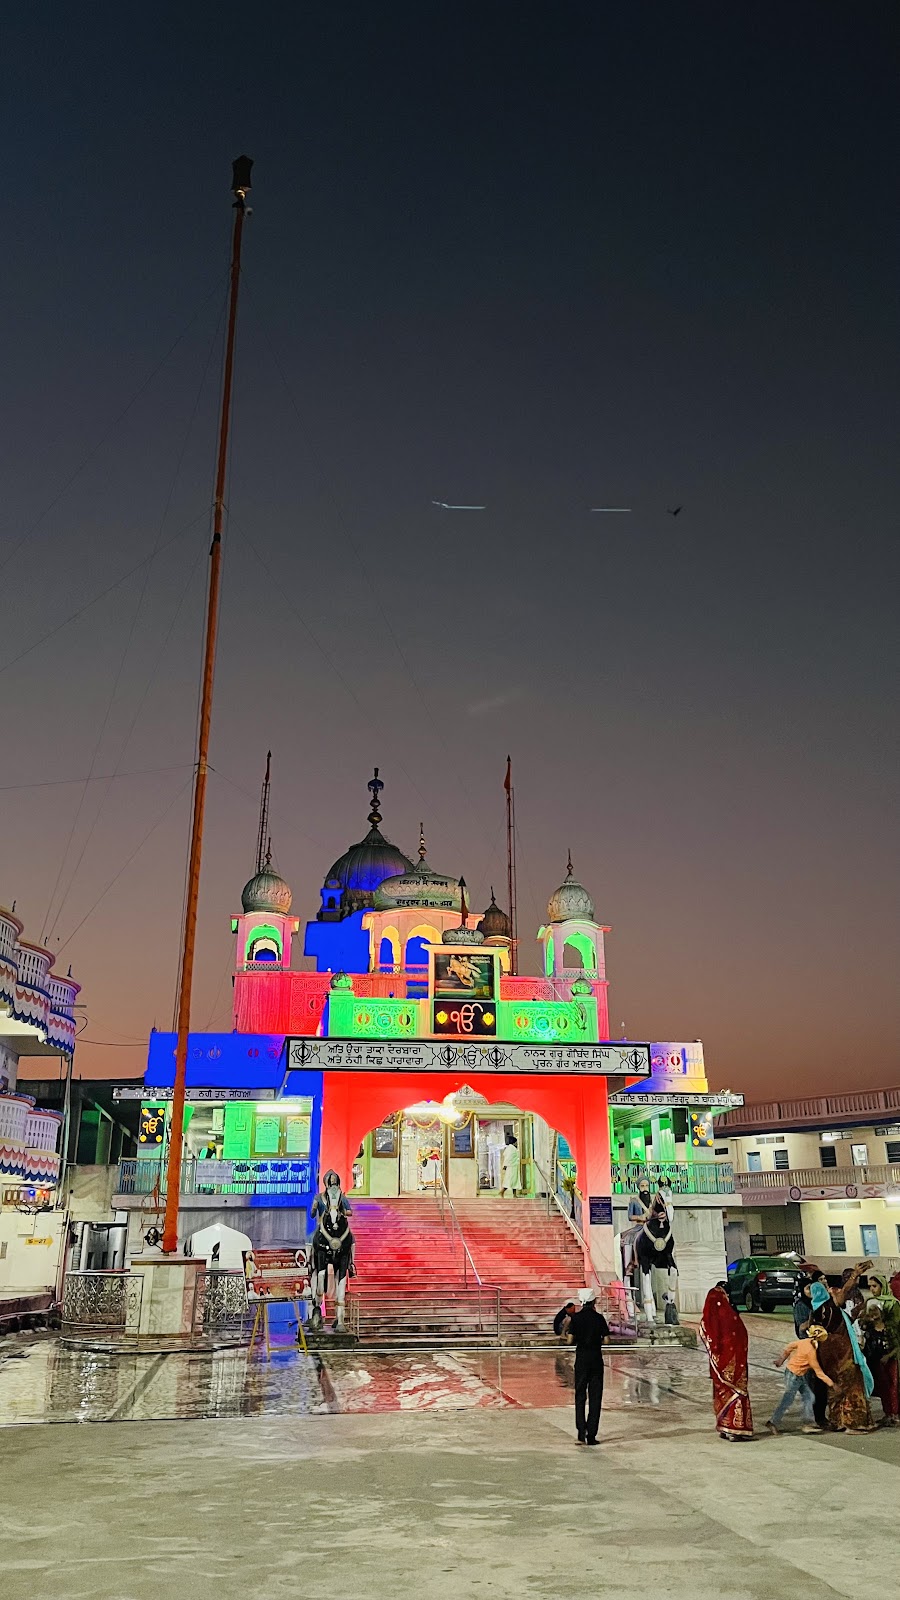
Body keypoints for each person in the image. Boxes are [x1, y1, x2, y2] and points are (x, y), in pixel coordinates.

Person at [808, 1273, 874, 1432]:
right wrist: (855, 1275)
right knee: (851, 1385)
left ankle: (838, 1420)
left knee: (834, 1388)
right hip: (843, 1351)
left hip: (827, 1354)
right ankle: (853, 1421)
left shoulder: (816, 1312)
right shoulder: (830, 1307)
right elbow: (845, 1292)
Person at [553, 1287, 610, 1445]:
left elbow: (570, 1340)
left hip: (582, 1359)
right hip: (596, 1359)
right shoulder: (599, 1318)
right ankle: (591, 1434)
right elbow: (606, 1340)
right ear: (594, 1302)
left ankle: (580, 1430)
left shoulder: (575, 1319)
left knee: (580, 1394)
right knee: (595, 1396)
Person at [699, 1285, 754, 1440]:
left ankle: (726, 1428)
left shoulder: (712, 1318)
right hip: (735, 1361)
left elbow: (706, 1333)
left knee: (724, 1392)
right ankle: (735, 1429)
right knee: (737, 1392)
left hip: (721, 1363)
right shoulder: (729, 1316)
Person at [767, 1325, 833, 1434]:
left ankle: (808, 1423)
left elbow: (788, 1347)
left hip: (798, 1374)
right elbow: (819, 1372)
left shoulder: (804, 1342)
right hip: (794, 1375)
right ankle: (773, 1422)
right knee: (787, 1399)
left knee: (809, 1397)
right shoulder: (810, 1352)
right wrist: (832, 1384)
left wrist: (781, 1360)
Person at [862, 1271, 900, 1426]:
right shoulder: (871, 1302)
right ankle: (887, 1413)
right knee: (882, 1384)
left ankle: (895, 1413)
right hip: (876, 1351)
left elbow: (896, 1325)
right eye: (870, 1286)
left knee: (894, 1384)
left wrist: (881, 1322)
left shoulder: (893, 1303)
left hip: (892, 1349)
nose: (872, 1289)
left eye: (875, 1286)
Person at [500, 1133, 520, 1198]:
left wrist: (505, 1165)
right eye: (516, 1142)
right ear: (514, 1142)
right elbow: (509, 1158)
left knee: (513, 1180)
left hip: (511, 1166)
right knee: (511, 1180)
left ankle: (514, 1194)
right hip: (512, 1167)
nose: (517, 1144)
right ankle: (502, 1191)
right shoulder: (512, 1149)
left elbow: (505, 1156)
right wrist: (506, 1165)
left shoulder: (509, 1148)